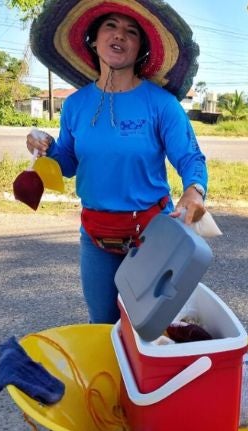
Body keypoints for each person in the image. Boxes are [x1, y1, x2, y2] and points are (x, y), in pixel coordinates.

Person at [25, 0, 208, 324]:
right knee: (103, 324)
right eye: (110, 26)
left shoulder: (161, 105)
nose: (119, 36)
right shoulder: (76, 105)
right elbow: (68, 163)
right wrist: (47, 148)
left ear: (141, 49)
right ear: (93, 40)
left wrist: (194, 191)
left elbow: (190, 156)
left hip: (152, 235)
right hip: (95, 237)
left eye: (131, 31)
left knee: (151, 326)